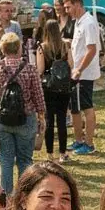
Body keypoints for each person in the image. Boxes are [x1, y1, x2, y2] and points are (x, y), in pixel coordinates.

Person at [0, 32, 45, 195]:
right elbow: (38, 95)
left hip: (2, 119)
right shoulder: (30, 69)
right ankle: (24, 195)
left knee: (6, 159)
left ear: (2, 49)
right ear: (19, 48)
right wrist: (42, 115)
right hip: (26, 117)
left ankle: (7, 196)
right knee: (25, 159)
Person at [65, 0, 100, 156]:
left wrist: (79, 69)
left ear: (77, 4)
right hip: (76, 73)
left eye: (68, 7)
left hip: (83, 74)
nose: (67, 10)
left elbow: (91, 50)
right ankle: (79, 140)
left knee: (86, 107)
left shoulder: (88, 23)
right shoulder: (78, 22)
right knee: (75, 108)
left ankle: (89, 143)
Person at [37, 19, 72, 162]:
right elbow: (71, 64)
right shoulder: (65, 46)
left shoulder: (42, 48)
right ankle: (63, 153)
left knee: (49, 120)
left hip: (49, 87)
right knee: (62, 120)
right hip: (64, 87)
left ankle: (50, 153)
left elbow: (39, 70)